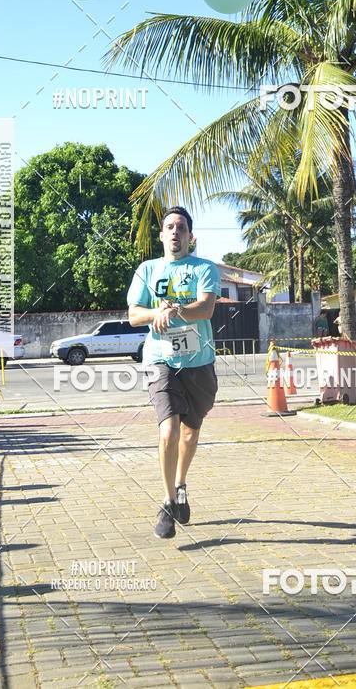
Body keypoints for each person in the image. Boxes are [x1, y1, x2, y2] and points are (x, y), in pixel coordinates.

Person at [127, 206, 221, 539]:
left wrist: (177, 308)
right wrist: (157, 312)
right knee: (168, 430)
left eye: (181, 227)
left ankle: (180, 484)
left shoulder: (204, 268)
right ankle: (167, 502)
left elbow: (207, 308)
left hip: (199, 365)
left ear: (191, 237)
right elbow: (133, 315)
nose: (175, 232)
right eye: (169, 227)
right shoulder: (147, 270)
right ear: (162, 234)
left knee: (190, 433)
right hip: (160, 360)